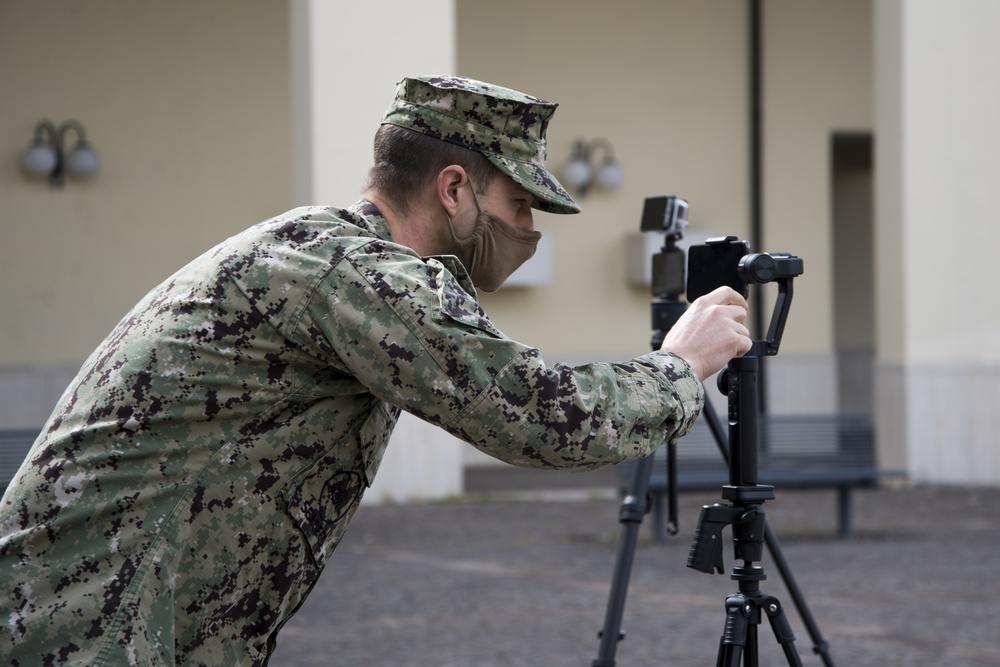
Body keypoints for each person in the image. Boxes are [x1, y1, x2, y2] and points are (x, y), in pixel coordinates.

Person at [0, 75, 752, 665]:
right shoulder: (355, 274)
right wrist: (683, 365)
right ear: (453, 188)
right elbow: (542, 415)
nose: (528, 229)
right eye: (520, 202)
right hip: (87, 628)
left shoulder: (323, 253)